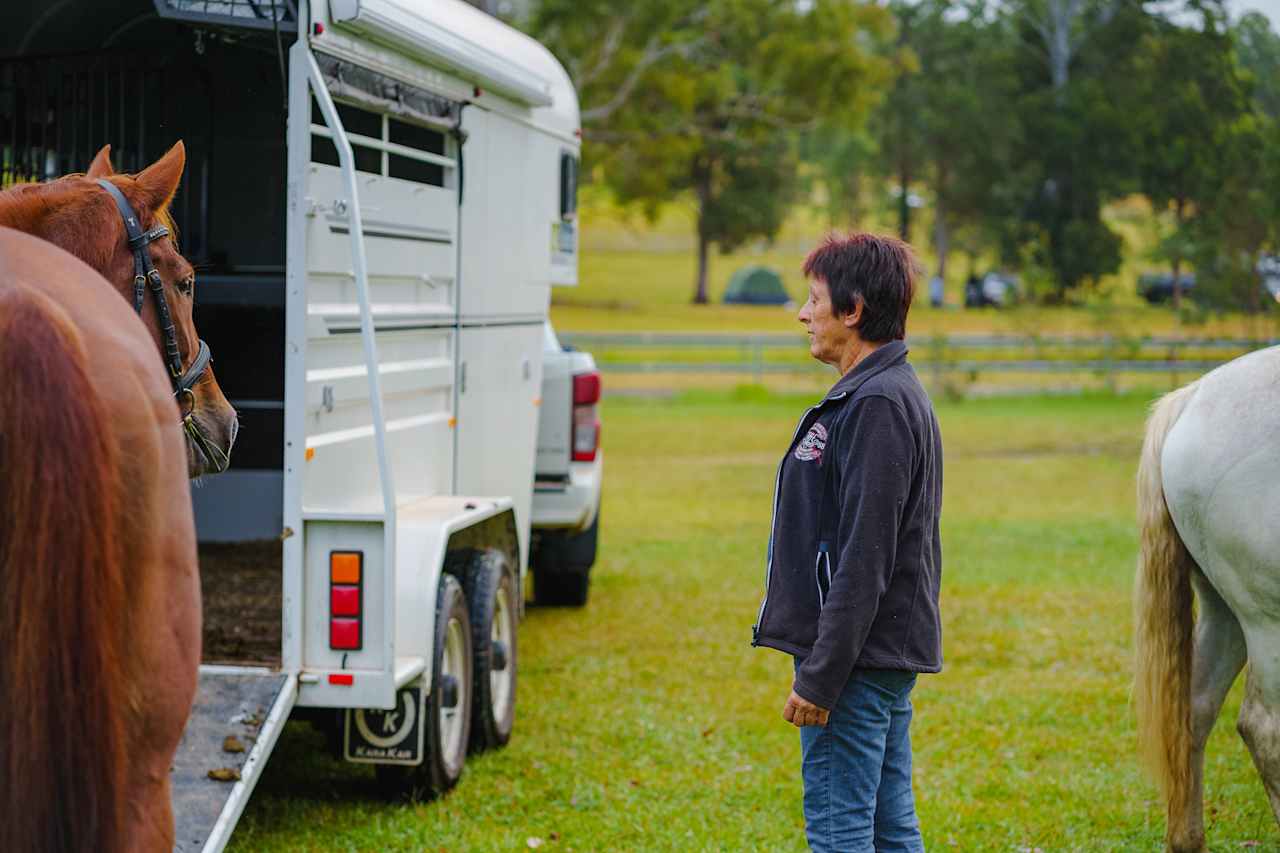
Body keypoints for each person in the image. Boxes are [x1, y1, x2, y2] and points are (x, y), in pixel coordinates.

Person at [752, 232, 943, 852]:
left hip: (858, 662)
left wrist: (821, 674)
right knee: (889, 832)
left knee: (841, 835)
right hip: (874, 656)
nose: (803, 314)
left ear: (853, 310)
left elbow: (865, 558)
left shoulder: (878, 404)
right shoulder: (875, 394)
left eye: (814, 300)